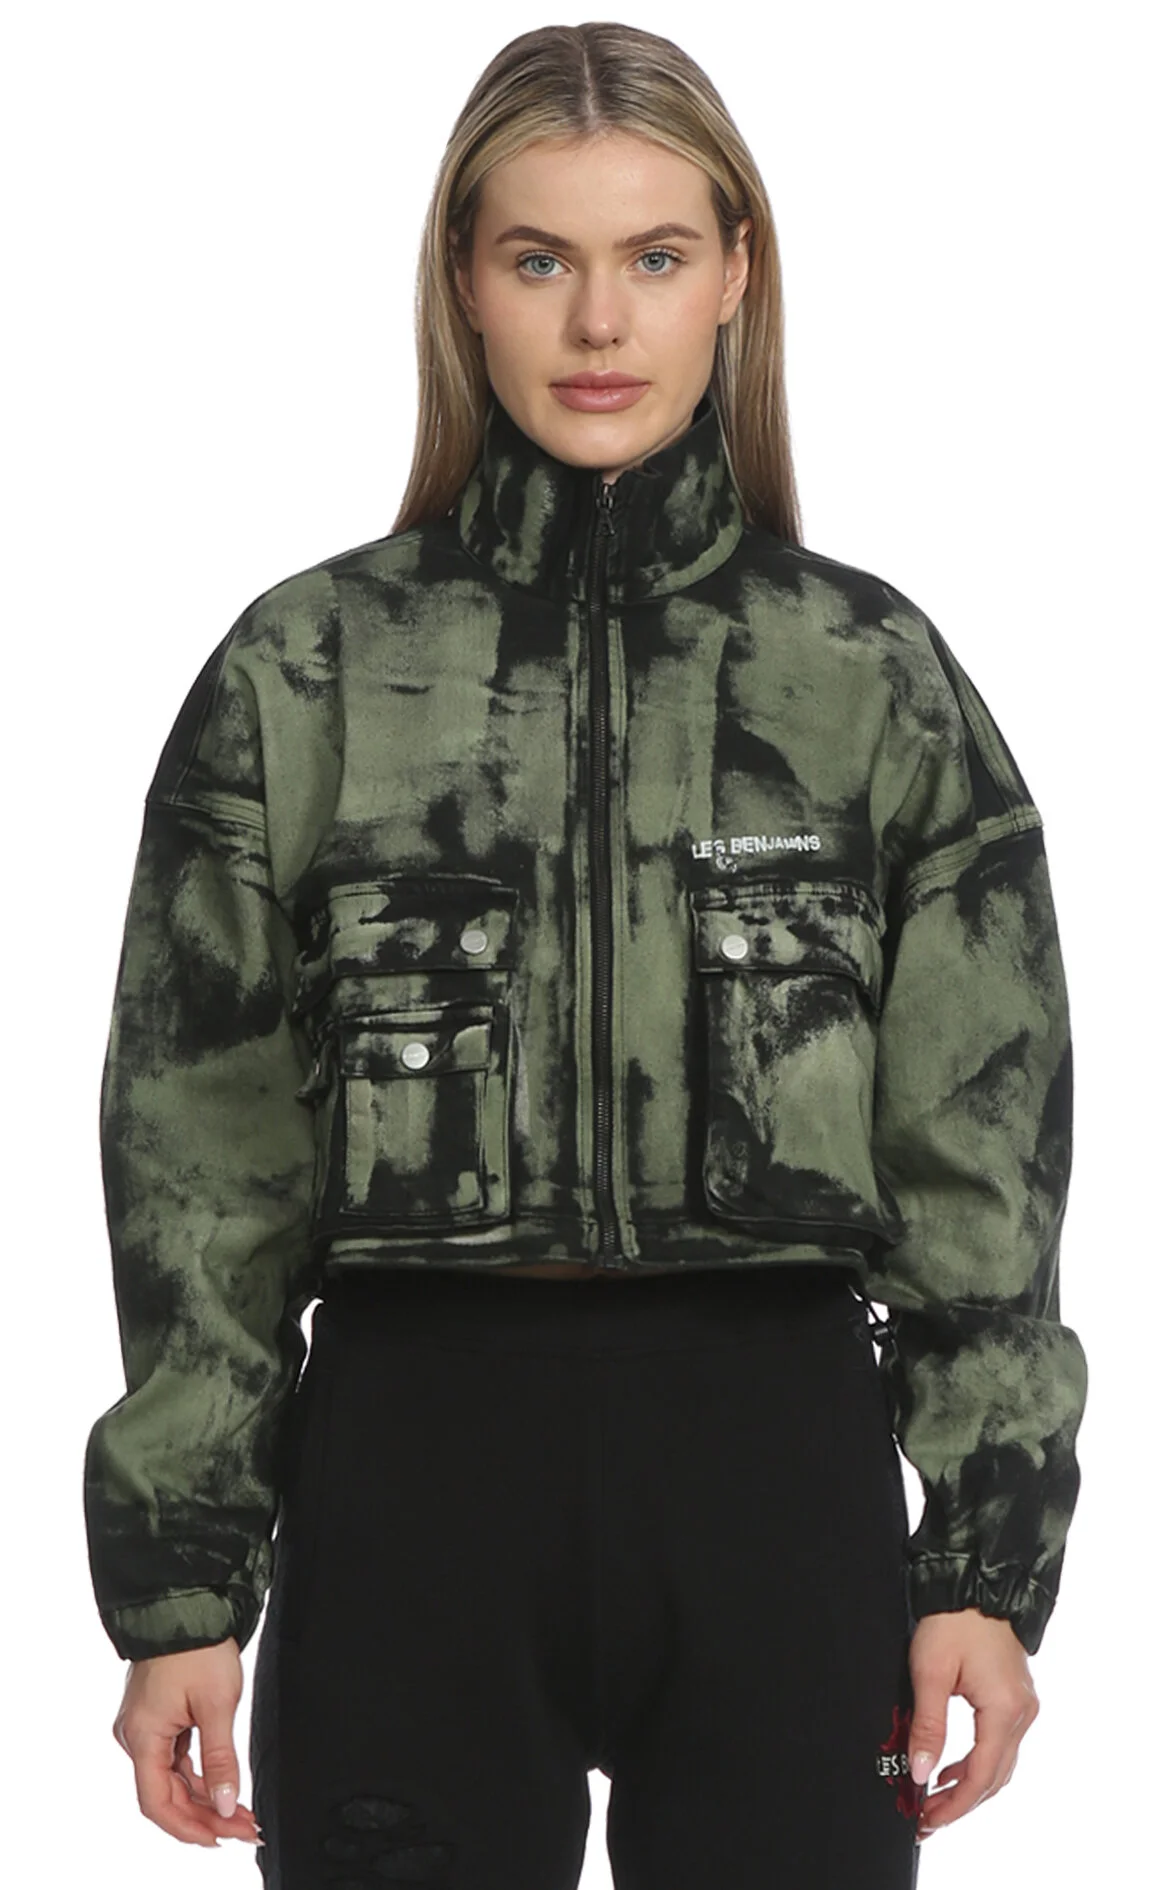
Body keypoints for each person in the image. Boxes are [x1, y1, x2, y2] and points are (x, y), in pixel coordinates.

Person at [84, 21, 1089, 1888]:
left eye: (655, 255)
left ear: (734, 276)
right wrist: (182, 1585)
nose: (599, 322)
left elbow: (982, 1155)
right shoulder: (301, 674)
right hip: (409, 1484)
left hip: (773, 1481)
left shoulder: (869, 676)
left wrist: (981, 1560)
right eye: (539, 257)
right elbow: (201, 1165)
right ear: (463, 283)